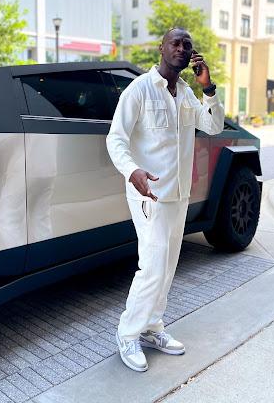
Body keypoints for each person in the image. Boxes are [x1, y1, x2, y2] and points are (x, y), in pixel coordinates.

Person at [106, 27, 224, 372]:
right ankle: (128, 334)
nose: (182, 49)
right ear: (161, 48)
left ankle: (152, 328)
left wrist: (209, 89)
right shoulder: (140, 90)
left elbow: (214, 126)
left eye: (187, 45)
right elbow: (116, 139)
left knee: (169, 265)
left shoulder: (187, 94)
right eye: (176, 42)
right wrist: (132, 171)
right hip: (149, 195)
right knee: (154, 265)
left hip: (178, 195)